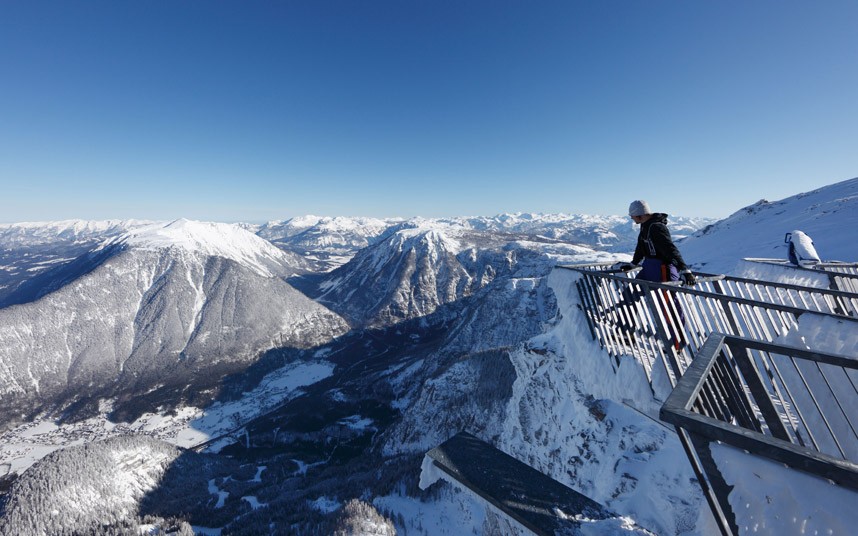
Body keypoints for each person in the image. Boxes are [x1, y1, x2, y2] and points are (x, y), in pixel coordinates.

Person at [621, 200, 696, 286]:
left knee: (666, 298)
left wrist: (685, 271)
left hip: (662, 268)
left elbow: (670, 249)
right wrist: (633, 264)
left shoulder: (656, 227)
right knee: (633, 291)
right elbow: (641, 246)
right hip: (649, 266)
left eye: (632, 215)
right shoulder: (645, 225)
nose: (631, 218)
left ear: (640, 215)